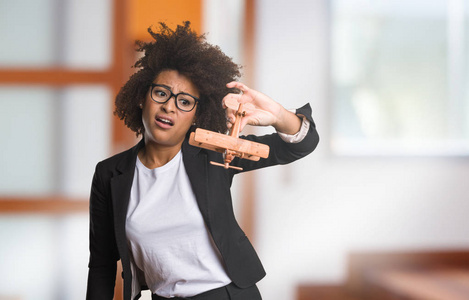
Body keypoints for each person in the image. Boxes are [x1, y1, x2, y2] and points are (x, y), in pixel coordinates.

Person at [86, 21, 319, 300]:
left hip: (228, 295)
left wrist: (278, 114)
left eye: (184, 101)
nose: (169, 106)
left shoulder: (212, 153)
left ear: (197, 114)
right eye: (161, 93)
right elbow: (102, 264)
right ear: (142, 97)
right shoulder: (110, 174)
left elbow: (299, 145)